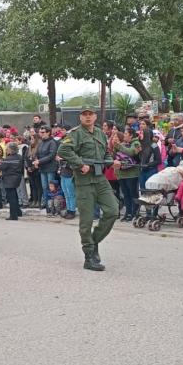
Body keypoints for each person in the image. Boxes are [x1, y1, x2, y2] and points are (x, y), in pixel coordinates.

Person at [57, 105, 120, 271]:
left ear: (95, 116)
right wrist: (79, 164)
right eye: (84, 115)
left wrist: (111, 161)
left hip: (100, 179)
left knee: (113, 211)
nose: (87, 117)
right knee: (86, 221)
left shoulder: (100, 133)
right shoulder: (75, 134)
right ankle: (89, 256)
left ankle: (94, 241)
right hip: (84, 181)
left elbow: (105, 153)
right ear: (80, 117)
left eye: (90, 114)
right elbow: (63, 150)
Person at [33, 125, 59, 208]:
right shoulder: (41, 142)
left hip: (50, 167)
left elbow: (51, 155)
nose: (41, 134)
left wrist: (39, 161)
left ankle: (52, 203)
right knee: (44, 186)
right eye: (40, 132)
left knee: (50, 186)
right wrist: (36, 160)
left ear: (48, 132)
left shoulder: (52, 142)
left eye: (43, 132)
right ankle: (46, 202)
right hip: (42, 167)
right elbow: (37, 153)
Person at [0, 143, 23, 221]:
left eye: (7, 148)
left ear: (11, 149)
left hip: (9, 179)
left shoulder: (8, 159)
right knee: (15, 195)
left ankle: (13, 215)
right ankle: (18, 211)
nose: (6, 149)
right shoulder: (19, 157)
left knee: (11, 198)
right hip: (17, 178)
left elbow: (2, 167)